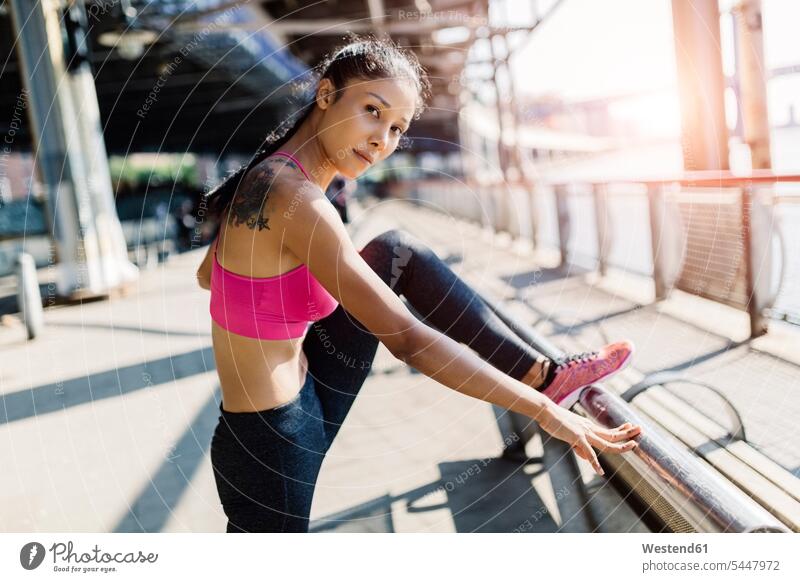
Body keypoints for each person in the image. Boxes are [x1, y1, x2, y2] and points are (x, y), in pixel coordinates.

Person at [196, 34, 641, 533]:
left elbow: (208, 274)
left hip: (307, 394)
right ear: (325, 95)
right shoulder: (294, 195)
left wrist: (271, 277)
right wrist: (541, 411)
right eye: (371, 111)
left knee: (394, 251)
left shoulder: (280, 179)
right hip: (271, 442)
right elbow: (407, 339)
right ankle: (544, 388)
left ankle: (545, 374)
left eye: (396, 129)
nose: (381, 141)